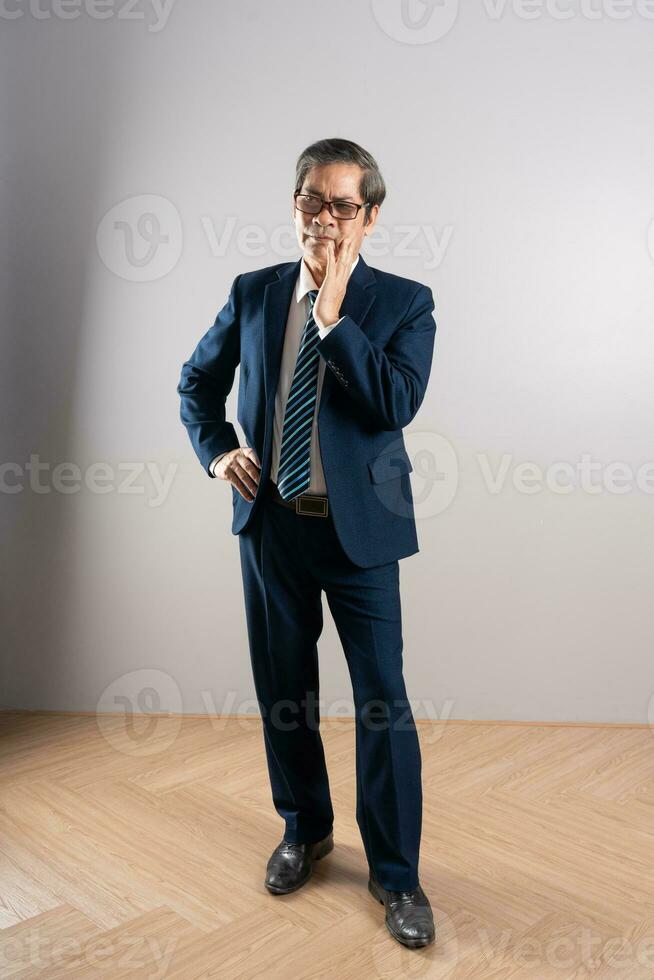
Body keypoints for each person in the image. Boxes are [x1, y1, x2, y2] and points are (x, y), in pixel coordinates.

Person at [177, 138, 437, 949]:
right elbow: (196, 382)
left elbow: (395, 401)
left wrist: (331, 316)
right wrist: (219, 449)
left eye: (343, 206)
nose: (324, 220)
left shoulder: (404, 302)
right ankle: (305, 830)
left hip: (360, 537)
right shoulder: (252, 292)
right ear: (294, 205)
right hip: (272, 529)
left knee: (382, 704)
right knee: (283, 692)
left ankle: (396, 876)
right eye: (311, 203)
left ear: (372, 217)